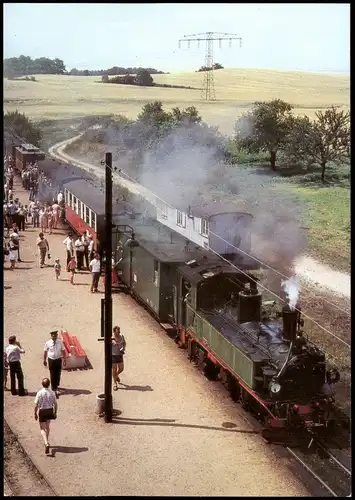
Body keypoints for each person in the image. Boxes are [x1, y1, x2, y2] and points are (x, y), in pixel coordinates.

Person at [34, 377, 58, 455]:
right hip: (50, 410)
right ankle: (46, 441)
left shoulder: (39, 393)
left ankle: (46, 443)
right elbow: (55, 403)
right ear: (49, 384)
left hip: (42, 411)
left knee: (42, 429)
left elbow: (36, 405)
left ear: (42, 384)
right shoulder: (52, 392)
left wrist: (35, 413)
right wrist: (55, 412)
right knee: (47, 427)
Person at [43, 331, 65, 398]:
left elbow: (63, 350)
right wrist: (44, 360)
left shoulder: (60, 342)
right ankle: (53, 387)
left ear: (57, 335)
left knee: (58, 373)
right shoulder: (48, 343)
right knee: (52, 373)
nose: (54, 337)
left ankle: (56, 384)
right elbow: (45, 351)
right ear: (51, 336)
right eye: (53, 336)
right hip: (51, 360)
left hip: (58, 359)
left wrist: (64, 359)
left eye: (55, 336)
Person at [112, 326, 126, 390]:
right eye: (117, 332)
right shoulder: (111, 338)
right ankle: (115, 384)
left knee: (121, 368)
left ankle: (116, 376)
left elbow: (124, 343)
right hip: (113, 355)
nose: (118, 333)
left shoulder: (121, 336)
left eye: (119, 331)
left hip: (120, 354)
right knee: (114, 369)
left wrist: (123, 348)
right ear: (114, 332)